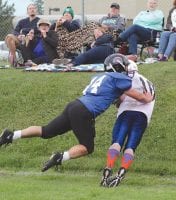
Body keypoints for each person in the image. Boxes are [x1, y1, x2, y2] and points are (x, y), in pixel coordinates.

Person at [0, 53, 154, 173]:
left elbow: (117, 98)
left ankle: (11, 135)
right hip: (84, 112)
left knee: (46, 131)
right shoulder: (119, 78)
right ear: (119, 67)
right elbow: (139, 96)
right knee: (87, 147)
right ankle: (61, 157)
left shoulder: (100, 77)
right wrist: (147, 97)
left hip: (75, 105)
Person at [100, 60, 155, 188]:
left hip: (125, 113)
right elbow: (149, 99)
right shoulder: (147, 82)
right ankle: (121, 172)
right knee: (130, 147)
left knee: (117, 142)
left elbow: (119, 101)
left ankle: (107, 170)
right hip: (142, 115)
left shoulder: (122, 80)